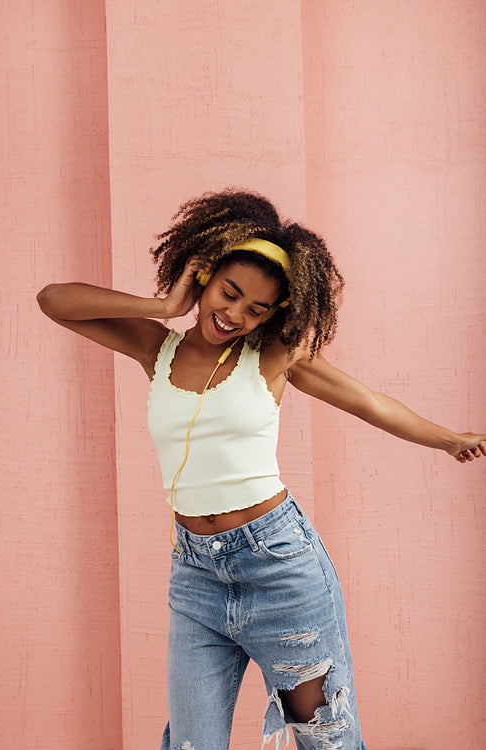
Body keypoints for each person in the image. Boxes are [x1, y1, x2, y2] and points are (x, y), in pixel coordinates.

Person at [37, 188, 485, 750]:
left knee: (326, 736)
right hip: (196, 574)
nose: (234, 316)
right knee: (192, 743)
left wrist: (450, 440)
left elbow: (368, 402)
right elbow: (53, 299)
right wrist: (166, 307)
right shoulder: (159, 349)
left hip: (280, 568)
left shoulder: (272, 357)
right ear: (203, 276)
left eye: (256, 309)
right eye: (229, 293)